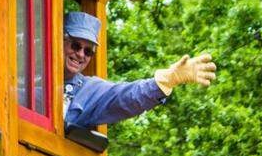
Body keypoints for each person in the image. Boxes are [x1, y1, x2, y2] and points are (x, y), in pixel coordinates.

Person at [61, 11, 217, 128]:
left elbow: (126, 96)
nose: (81, 54)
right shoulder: (36, 75)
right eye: (76, 46)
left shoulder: (89, 90)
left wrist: (169, 78)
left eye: (88, 51)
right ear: (60, 40)